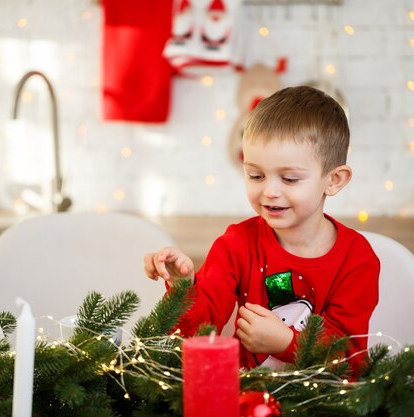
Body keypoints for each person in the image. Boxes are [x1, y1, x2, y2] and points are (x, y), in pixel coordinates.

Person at [143, 86, 380, 372]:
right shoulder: (237, 244)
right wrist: (183, 287)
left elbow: (349, 360)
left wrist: (285, 342)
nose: (269, 191)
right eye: (256, 175)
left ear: (334, 180)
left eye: (290, 179)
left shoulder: (356, 259)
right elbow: (196, 334)